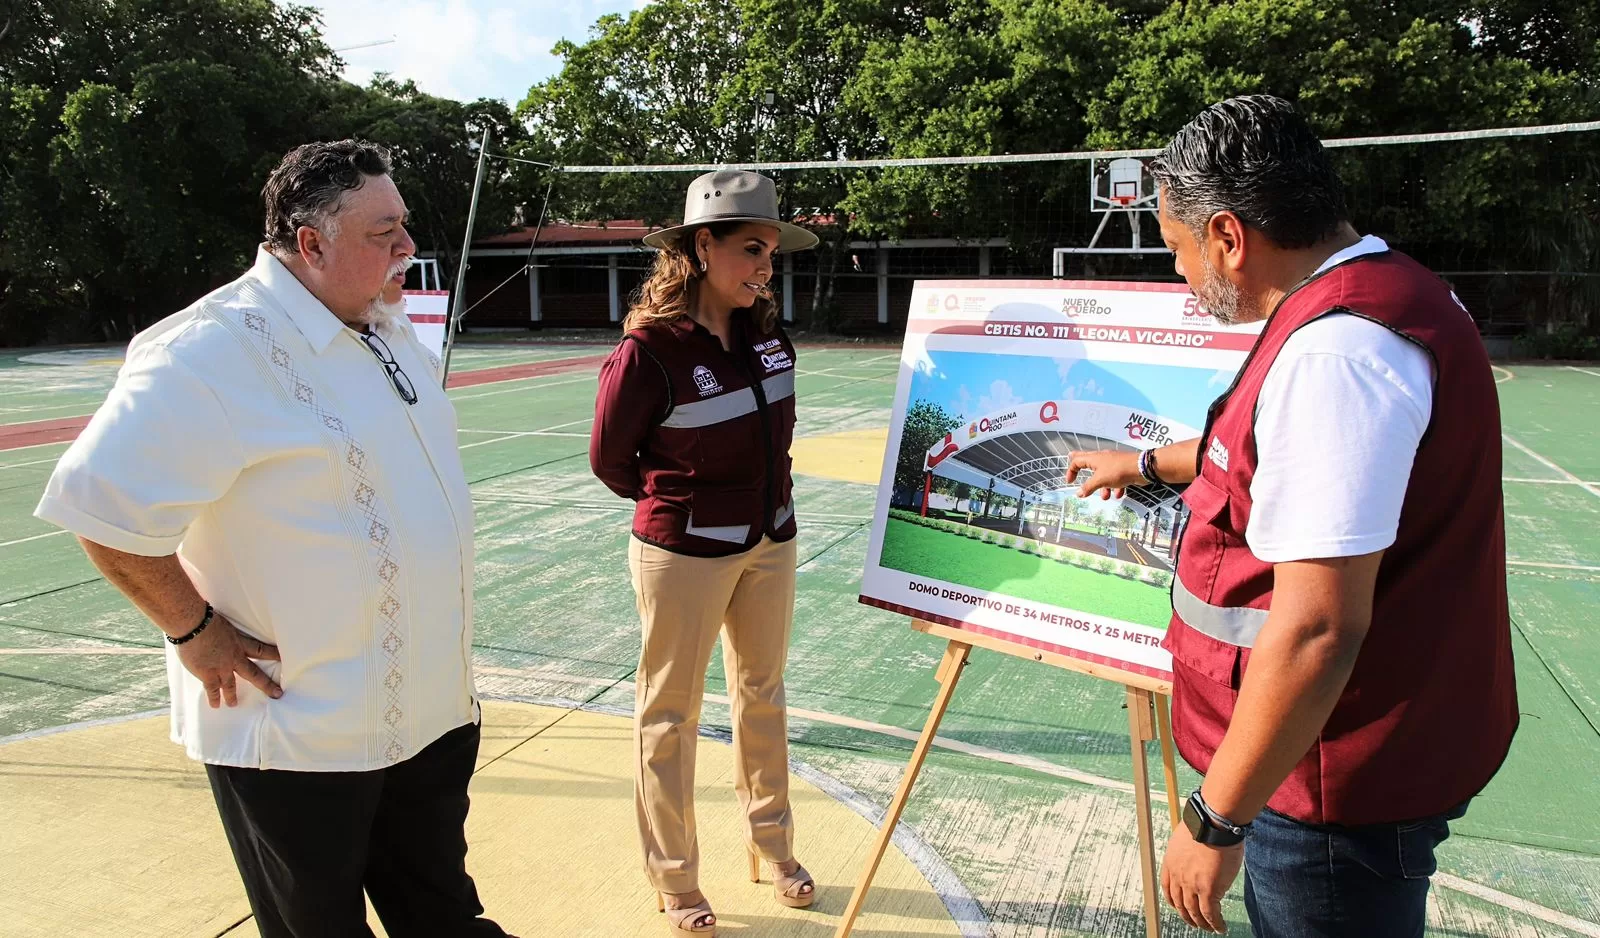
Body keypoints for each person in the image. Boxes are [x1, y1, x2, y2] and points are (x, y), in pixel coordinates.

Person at [34, 140, 510, 938]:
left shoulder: (389, 332)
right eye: (382, 231)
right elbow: (101, 509)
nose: (407, 247)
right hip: (301, 733)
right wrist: (193, 630)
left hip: (428, 715)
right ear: (311, 244)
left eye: (405, 226)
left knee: (442, 913)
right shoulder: (209, 351)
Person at [1068, 95, 1517, 937]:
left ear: (1229, 238)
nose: (1178, 274)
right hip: (1350, 752)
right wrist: (1144, 464)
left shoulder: (1335, 356)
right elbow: (1273, 463)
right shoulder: (1385, 292)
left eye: (1176, 248)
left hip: (1322, 785)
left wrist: (1218, 817)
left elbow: (1316, 631)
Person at [589, 170, 819, 937]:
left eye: (773, 251)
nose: (765, 264)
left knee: (764, 694)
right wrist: (682, 510)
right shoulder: (649, 351)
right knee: (669, 715)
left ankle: (773, 849)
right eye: (751, 248)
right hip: (682, 554)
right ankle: (676, 880)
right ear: (700, 246)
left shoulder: (767, 333)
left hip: (771, 541)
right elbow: (611, 461)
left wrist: (757, 518)